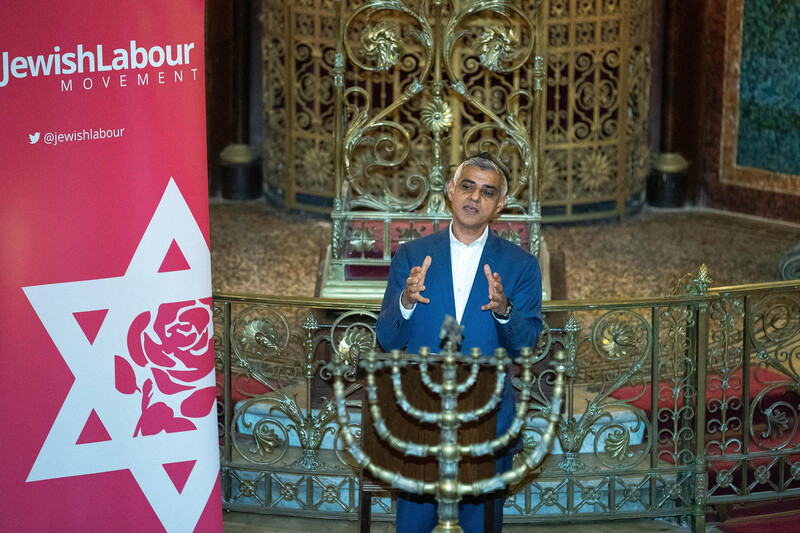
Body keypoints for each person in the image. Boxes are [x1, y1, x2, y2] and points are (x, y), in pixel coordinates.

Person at [375, 153, 544, 533]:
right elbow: (387, 338)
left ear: (499, 204)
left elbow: (528, 346)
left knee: (480, 524)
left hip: (488, 417)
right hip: (420, 413)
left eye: (487, 192)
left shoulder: (520, 265)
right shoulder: (413, 255)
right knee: (414, 525)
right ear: (451, 190)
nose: (474, 197)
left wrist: (504, 311)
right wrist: (404, 301)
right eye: (467, 186)